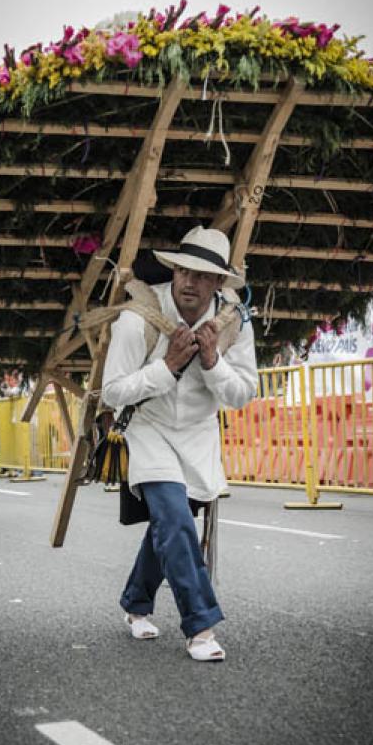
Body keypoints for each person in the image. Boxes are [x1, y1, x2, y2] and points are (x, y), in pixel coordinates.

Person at [102, 226, 257, 662]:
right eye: (183, 271)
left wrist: (212, 363)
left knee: (169, 527)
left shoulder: (232, 323)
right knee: (172, 515)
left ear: (219, 284)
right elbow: (112, 392)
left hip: (199, 435)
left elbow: (244, 392)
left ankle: (135, 603)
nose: (190, 282)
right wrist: (167, 366)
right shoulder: (140, 317)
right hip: (148, 429)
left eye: (203, 275)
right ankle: (201, 626)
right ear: (173, 270)